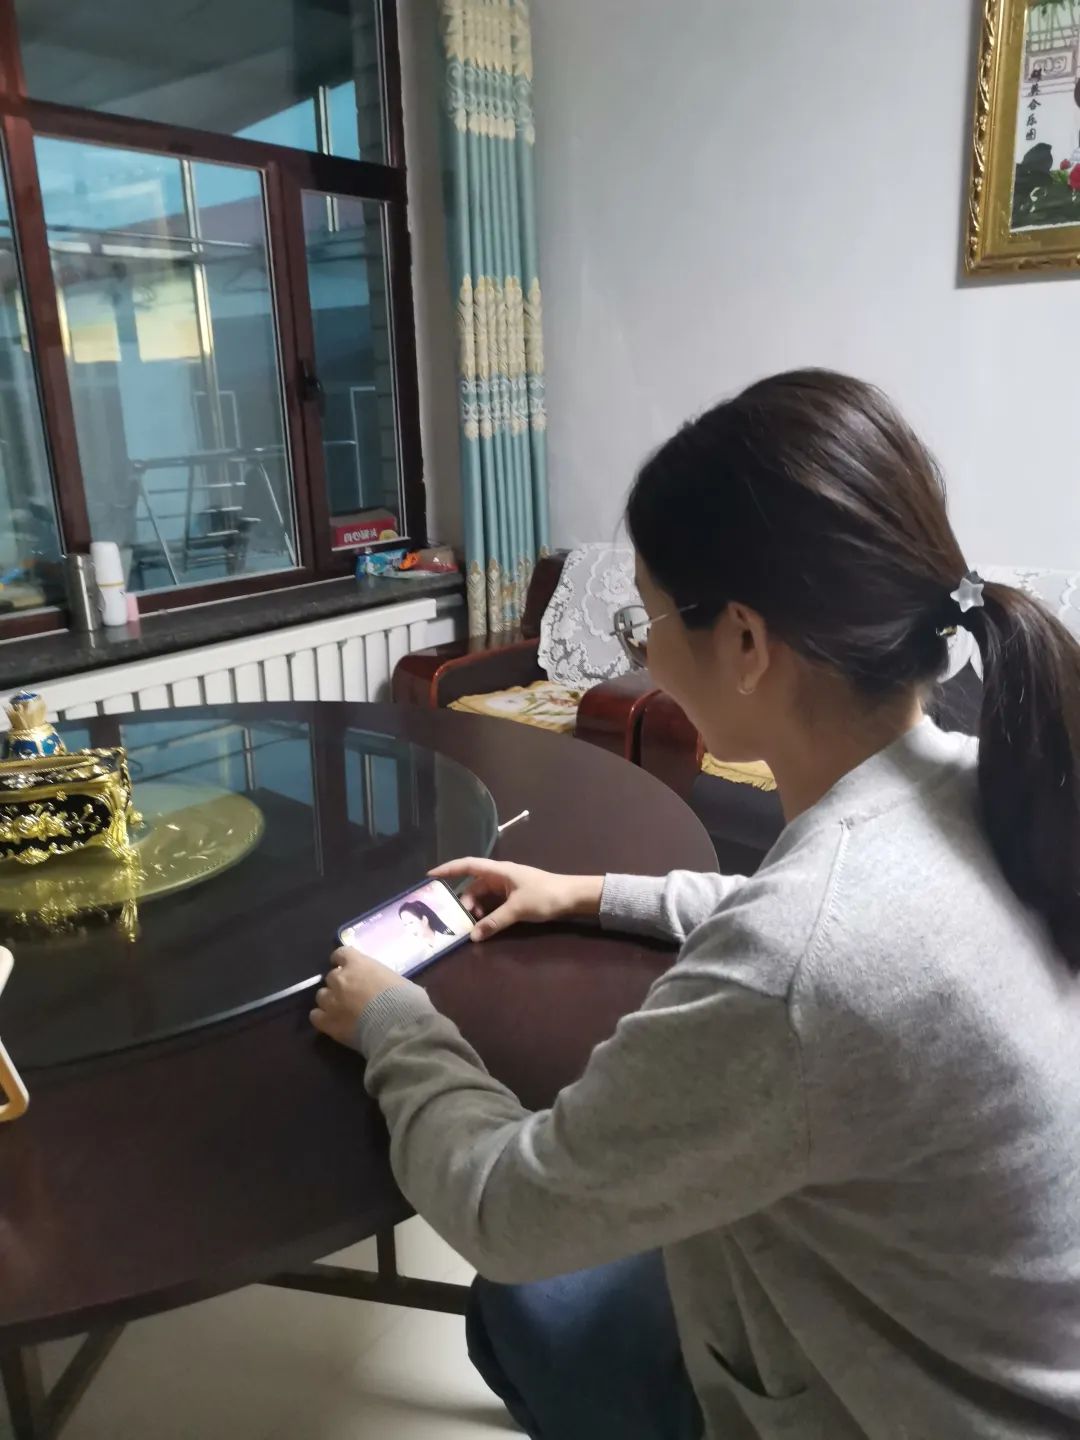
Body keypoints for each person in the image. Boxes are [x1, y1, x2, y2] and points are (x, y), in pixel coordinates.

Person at [311, 370, 1080, 1440]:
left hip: (906, 1410)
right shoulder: (976, 780)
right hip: (1002, 1348)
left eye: (649, 616)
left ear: (747, 644)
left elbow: (502, 1211)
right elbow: (812, 919)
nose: (644, 653)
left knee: (523, 1301)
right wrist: (587, 893)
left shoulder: (800, 966)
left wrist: (397, 1023)